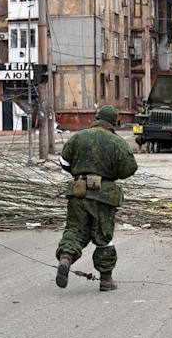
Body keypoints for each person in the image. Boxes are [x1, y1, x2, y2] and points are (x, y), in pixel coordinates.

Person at [55, 105, 138, 292]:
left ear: (96, 118)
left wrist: (80, 173)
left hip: (78, 192)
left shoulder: (78, 137)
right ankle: (106, 279)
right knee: (104, 236)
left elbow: (64, 162)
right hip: (104, 194)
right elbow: (130, 168)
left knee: (75, 230)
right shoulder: (117, 142)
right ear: (114, 122)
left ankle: (66, 258)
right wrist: (111, 174)